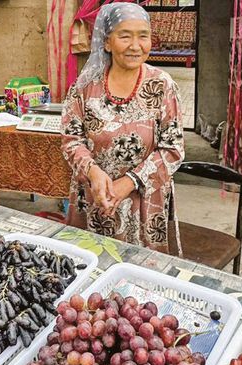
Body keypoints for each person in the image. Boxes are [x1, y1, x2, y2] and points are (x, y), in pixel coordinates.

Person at [61, 3, 184, 253]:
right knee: (90, 268)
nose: (135, 46)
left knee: (141, 278)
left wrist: (128, 182)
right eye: (125, 36)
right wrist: (94, 173)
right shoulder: (85, 87)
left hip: (145, 204)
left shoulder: (162, 86)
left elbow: (172, 150)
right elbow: (71, 139)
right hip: (94, 197)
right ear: (107, 42)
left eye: (143, 36)